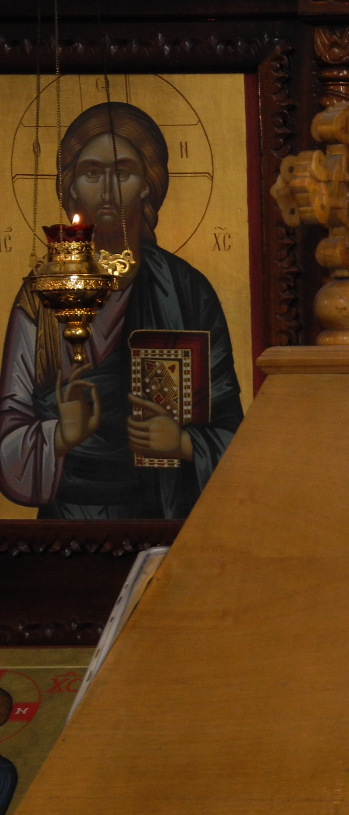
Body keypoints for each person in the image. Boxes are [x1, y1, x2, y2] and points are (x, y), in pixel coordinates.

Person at [0, 101, 243, 518]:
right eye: (92, 173)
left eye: (123, 172)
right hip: (66, 525)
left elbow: (237, 434)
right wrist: (60, 435)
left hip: (162, 517)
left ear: (148, 183)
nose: (107, 191)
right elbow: (9, 432)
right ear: (71, 185)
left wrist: (183, 443)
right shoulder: (43, 293)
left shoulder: (188, 291)